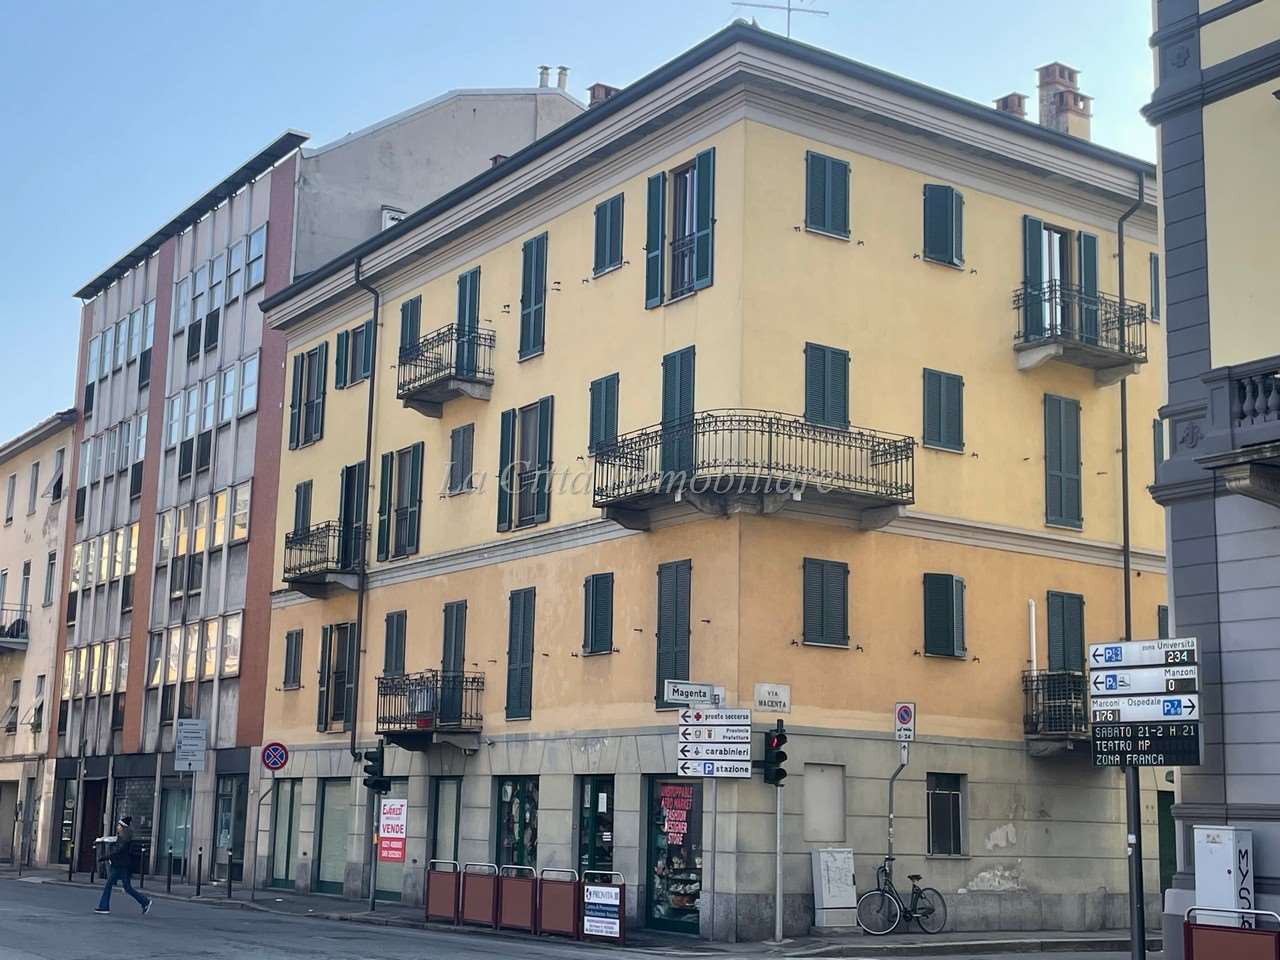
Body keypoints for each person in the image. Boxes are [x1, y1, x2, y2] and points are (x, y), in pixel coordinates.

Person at [95, 816, 152, 915]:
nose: (117, 827)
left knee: (109, 885)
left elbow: (118, 851)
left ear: (123, 827)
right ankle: (145, 901)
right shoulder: (123, 837)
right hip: (122, 865)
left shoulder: (124, 839)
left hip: (120, 866)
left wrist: (105, 857)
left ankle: (104, 907)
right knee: (127, 887)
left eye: (119, 825)